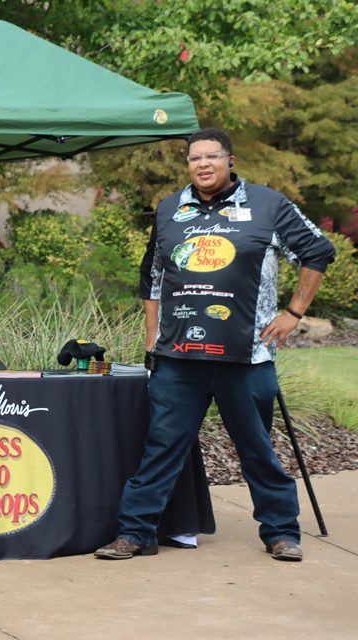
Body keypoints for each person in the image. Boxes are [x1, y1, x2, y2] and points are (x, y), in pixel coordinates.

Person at [95, 128, 336, 562]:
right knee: (161, 448)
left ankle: (281, 533)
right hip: (178, 358)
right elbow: (151, 277)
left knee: (257, 449)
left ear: (230, 159)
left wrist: (294, 313)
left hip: (247, 357)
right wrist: (153, 340)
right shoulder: (170, 209)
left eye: (212, 156)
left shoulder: (268, 205)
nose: (203, 164)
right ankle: (134, 532)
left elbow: (317, 251)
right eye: (194, 158)